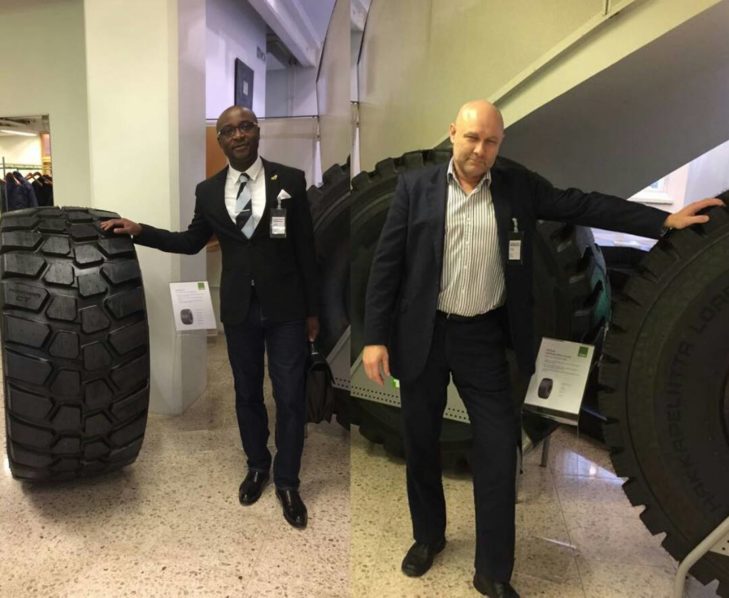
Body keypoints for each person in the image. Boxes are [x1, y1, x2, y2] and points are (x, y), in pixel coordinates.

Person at [362, 99, 723, 597]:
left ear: (500, 144)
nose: (479, 149)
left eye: (490, 141)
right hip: (423, 335)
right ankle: (428, 538)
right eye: (472, 138)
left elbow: (583, 204)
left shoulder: (517, 187)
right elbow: (386, 267)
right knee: (421, 443)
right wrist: (375, 338)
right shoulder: (415, 187)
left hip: (483, 337)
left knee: (497, 451)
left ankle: (493, 572)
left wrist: (661, 222)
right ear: (453, 134)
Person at [101, 105, 319, 529]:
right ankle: (257, 465)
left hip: (288, 309)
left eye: (245, 127)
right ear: (220, 140)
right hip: (239, 309)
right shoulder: (209, 191)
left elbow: (306, 251)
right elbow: (190, 241)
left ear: (257, 132)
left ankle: (288, 481)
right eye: (229, 130)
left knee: (290, 395)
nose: (238, 135)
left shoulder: (290, 180)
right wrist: (140, 230)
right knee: (246, 392)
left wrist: (313, 311)